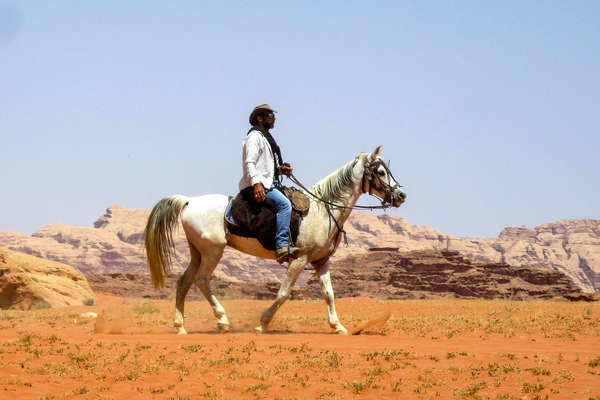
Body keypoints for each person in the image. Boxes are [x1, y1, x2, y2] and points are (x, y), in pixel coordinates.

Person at [238, 104, 299, 263]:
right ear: (260, 118)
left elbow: (264, 168)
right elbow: (250, 163)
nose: (274, 119)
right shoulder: (254, 137)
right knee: (285, 205)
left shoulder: (265, 138)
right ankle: (282, 246)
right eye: (270, 116)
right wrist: (256, 184)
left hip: (267, 182)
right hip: (258, 185)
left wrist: (280, 171)